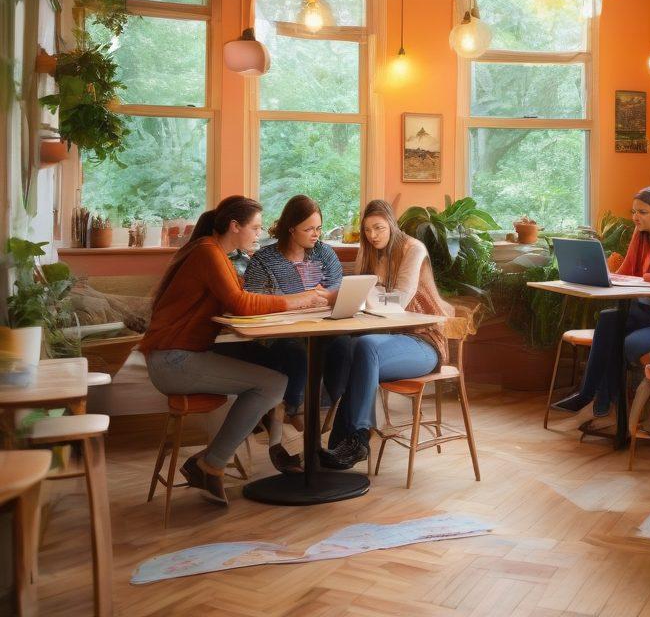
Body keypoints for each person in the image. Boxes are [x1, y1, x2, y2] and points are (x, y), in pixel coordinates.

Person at [141, 196, 328, 505]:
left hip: (178, 356)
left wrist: (297, 299)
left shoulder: (215, 254)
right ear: (234, 226)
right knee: (273, 382)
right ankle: (211, 464)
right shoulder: (208, 253)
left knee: (279, 368)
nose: (259, 234)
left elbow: (242, 298)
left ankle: (229, 453)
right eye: (254, 228)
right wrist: (302, 300)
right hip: (174, 361)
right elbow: (241, 304)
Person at [215, 194, 343, 473]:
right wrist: (302, 300)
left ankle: (331, 420)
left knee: (346, 346)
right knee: (296, 352)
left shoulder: (325, 253)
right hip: (279, 335)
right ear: (290, 228)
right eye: (309, 229)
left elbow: (337, 291)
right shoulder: (264, 260)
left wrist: (326, 298)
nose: (316, 235)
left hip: (323, 328)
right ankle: (293, 415)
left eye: (319, 228)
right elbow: (256, 301)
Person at [321, 199, 452, 469]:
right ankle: (338, 448)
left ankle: (356, 439)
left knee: (365, 346)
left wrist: (366, 290)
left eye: (379, 228)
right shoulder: (369, 251)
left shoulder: (412, 249)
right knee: (343, 346)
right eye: (367, 230)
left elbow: (400, 302)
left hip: (423, 341)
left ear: (392, 224)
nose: (373, 235)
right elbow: (363, 299)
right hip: (389, 339)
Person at [551, 187, 650, 418]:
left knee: (610, 328)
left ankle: (596, 400)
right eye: (634, 212)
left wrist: (649, 278)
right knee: (608, 321)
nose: (636, 217)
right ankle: (600, 402)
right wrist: (608, 274)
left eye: (643, 212)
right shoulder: (640, 236)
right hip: (642, 311)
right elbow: (626, 271)